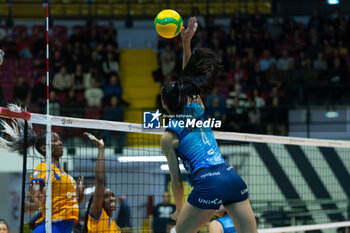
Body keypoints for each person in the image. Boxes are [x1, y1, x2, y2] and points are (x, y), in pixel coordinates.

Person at [160, 17, 256, 233]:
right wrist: (186, 43)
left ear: (164, 104)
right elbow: (188, 81)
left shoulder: (168, 137)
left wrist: (177, 209)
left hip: (207, 183)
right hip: (231, 176)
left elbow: (176, 182)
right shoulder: (197, 106)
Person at [0, 104, 85, 233]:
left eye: (59, 140)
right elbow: (31, 207)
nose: (60, 143)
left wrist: (79, 195)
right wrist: (34, 202)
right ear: (44, 148)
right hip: (51, 228)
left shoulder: (61, 172)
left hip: (64, 227)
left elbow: (66, 202)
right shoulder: (42, 171)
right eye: (54, 141)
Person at [83, 132, 120, 233]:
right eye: (107, 196)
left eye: (112, 195)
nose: (112, 198)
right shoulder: (97, 214)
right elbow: (100, 181)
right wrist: (101, 149)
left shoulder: (114, 225)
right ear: (99, 201)